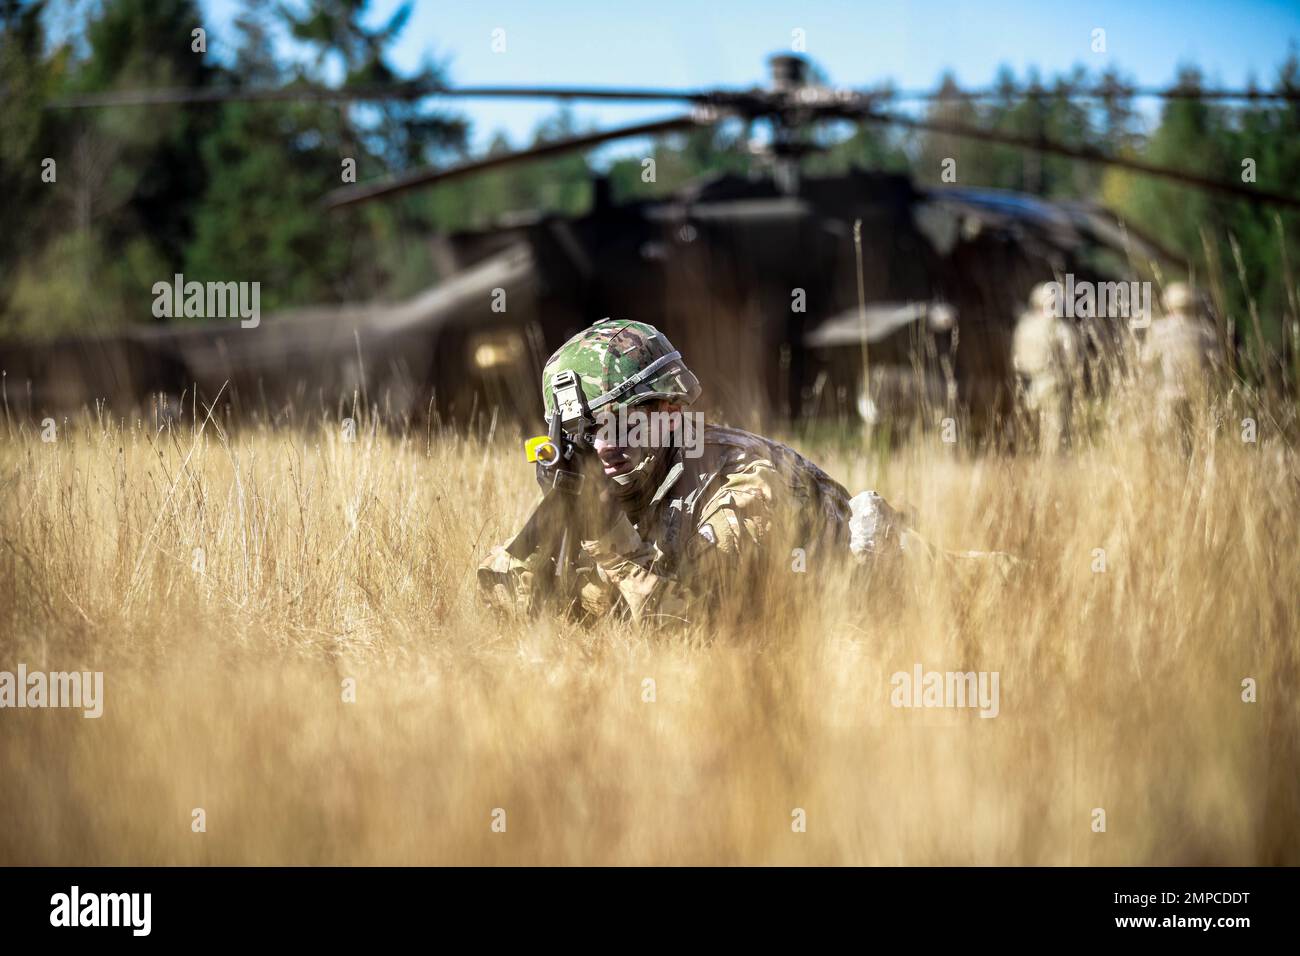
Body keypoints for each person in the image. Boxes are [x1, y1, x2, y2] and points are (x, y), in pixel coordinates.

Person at [478, 319, 1002, 627]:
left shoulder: (745, 482)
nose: (604, 445)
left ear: (669, 412)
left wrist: (604, 540)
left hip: (934, 596)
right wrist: (562, 514)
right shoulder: (612, 477)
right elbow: (497, 597)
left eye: (620, 423)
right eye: (585, 430)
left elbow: (685, 627)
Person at [1012, 282, 1081, 451]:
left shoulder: (1024, 326)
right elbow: (1072, 361)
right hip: (1053, 385)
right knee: (1054, 436)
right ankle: (1050, 472)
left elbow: (1016, 359)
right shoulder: (1059, 328)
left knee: (1032, 433)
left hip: (1030, 386)